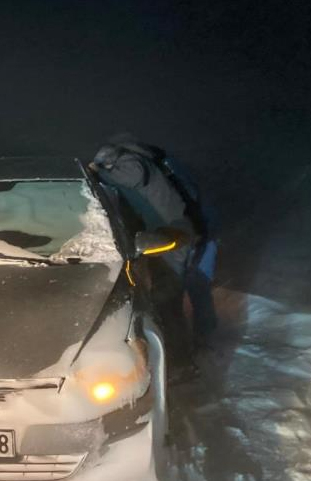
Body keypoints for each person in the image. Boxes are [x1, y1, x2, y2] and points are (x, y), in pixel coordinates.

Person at [91, 138, 219, 359]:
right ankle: (198, 342)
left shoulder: (133, 162)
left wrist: (96, 171)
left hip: (174, 235)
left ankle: (181, 363)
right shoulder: (143, 161)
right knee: (181, 289)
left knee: (167, 298)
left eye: (105, 161)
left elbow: (131, 177)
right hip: (174, 232)